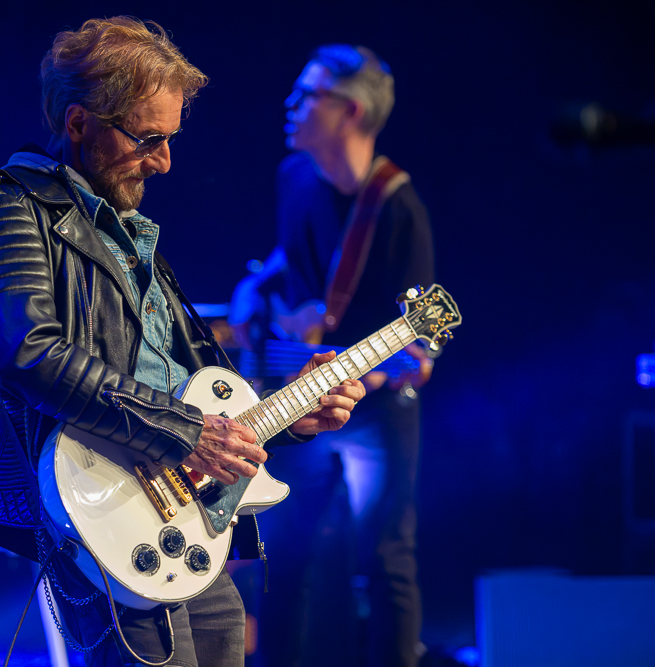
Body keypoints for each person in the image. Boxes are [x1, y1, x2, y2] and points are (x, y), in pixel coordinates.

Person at [0, 17, 365, 666]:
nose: (164, 161)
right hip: (102, 509)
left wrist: (290, 414)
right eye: (147, 138)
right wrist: (187, 433)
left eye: (169, 138)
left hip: (183, 517)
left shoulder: (129, 233)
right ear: (78, 123)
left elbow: (193, 392)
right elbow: (25, 352)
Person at [229, 45, 434, 667]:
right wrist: (253, 289)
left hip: (374, 411)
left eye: (308, 94)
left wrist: (369, 373)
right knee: (283, 556)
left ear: (350, 112)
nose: (290, 104)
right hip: (301, 403)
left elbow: (416, 353)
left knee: (386, 557)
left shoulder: (398, 208)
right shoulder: (294, 176)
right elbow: (290, 256)